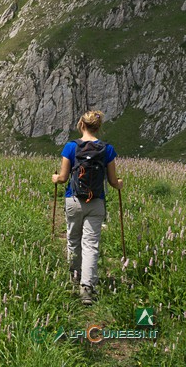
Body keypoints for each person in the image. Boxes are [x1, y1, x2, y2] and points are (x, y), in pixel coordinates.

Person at [52, 110, 123, 306]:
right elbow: (112, 181)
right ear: (98, 127)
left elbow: (64, 178)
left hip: (73, 200)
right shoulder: (107, 150)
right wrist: (119, 184)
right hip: (97, 202)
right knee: (91, 244)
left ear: (81, 125)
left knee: (73, 238)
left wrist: (56, 178)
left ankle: (74, 276)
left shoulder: (70, 147)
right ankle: (87, 288)